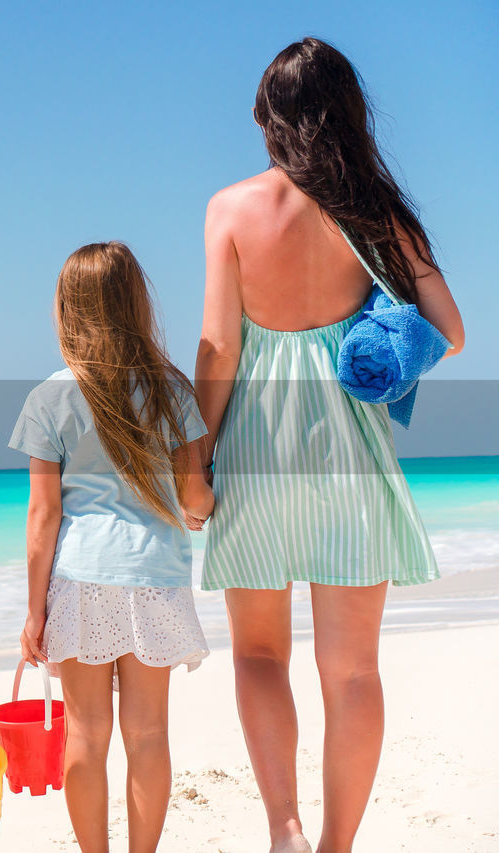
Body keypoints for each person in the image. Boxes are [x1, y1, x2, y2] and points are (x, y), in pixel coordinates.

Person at [195, 38, 465, 853]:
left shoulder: (230, 210)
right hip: (348, 444)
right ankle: (335, 846)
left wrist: (196, 461)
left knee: (259, 652)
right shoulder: (374, 211)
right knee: (351, 670)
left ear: (271, 120)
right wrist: (381, 341)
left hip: (254, 446)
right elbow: (450, 332)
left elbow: (219, 348)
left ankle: (283, 826)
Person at [12, 242, 213, 853]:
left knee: (84, 735)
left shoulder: (50, 397)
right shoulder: (172, 391)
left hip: (79, 577)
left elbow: (44, 516)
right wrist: (201, 512)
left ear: (66, 309)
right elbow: (195, 498)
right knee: (148, 734)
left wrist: (34, 609)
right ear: (137, 303)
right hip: (154, 574)